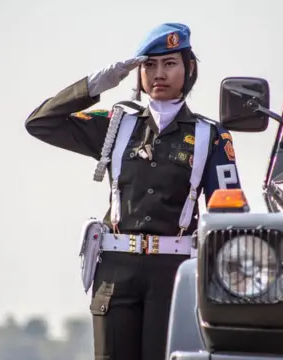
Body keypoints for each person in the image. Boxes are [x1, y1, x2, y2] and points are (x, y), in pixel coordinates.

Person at [25, 22, 242, 360]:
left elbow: (228, 215)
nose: (159, 73)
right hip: (115, 272)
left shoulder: (211, 135)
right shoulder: (116, 124)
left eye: (170, 63)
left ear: (189, 68)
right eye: (149, 64)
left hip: (175, 273)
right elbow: (40, 122)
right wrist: (98, 83)